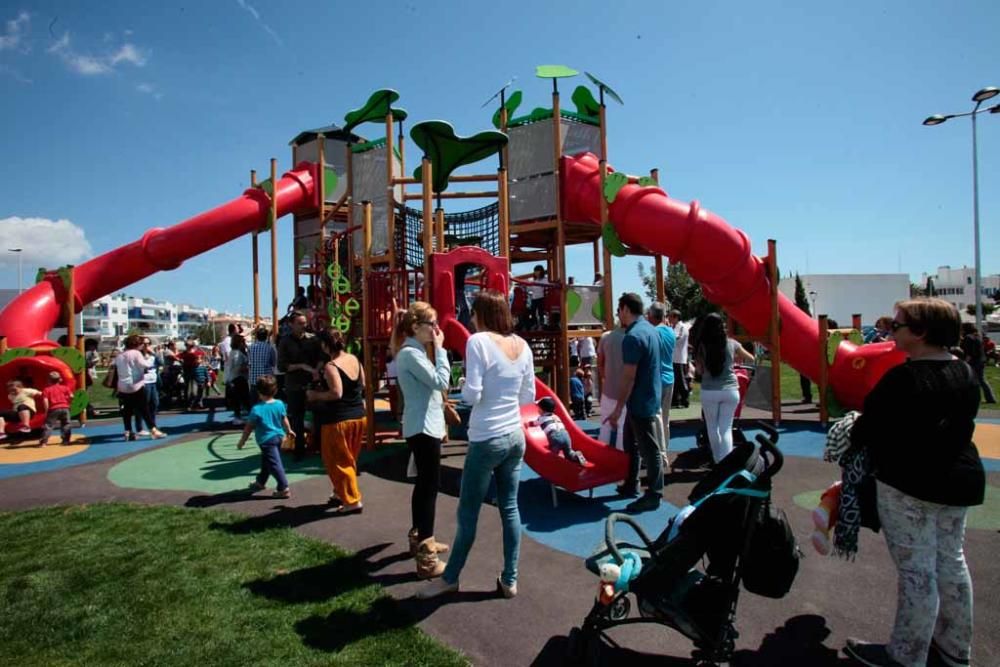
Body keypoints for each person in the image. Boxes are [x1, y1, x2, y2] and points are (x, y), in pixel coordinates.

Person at [844, 299, 984, 667]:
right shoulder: (966, 373)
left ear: (920, 333)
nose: (892, 331)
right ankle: (954, 647)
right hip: (959, 478)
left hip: (911, 482)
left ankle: (907, 655)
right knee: (951, 563)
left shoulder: (904, 379)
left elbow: (867, 429)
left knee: (917, 571)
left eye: (898, 325)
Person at [418, 289, 535, 599]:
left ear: (483, 315)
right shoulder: (522, 345)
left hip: (486, 438)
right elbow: (528, 396)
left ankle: (450, 578)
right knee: (510, 508)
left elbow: (473, 393)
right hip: (515, 436)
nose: (469, 318)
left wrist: (458, 397)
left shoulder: (478, 342)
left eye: (473, 313)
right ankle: (509, 579)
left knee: (468, 512)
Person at [393, 301, 452, 579]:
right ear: (416, 327)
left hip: (424, 425)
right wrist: (440, 350)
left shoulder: (413, 351)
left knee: (424, 485)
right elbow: (441, 381)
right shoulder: (411, 354)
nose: (436, 330)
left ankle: (421, 537)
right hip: (423, 428)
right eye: (431, 324)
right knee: (429, 487)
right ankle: (426, 558)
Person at [606, 293, 663, 513]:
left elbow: (629, 377)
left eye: (619, 310)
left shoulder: (633, 337)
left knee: (649, 448)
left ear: (626, 310)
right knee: (633, 443)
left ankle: (655, 493)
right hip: (648, 397)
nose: (618, 314)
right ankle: (632, 483)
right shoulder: (650, 329)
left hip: (640, 401)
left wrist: (618, 408)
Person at [307, 327, 367, 514]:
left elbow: (336, 393)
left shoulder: (331, 366)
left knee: (337, 461)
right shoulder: (354, 359)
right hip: (358, 416)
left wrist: (315, 395)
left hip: (338, 420)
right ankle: (340, 492)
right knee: (349, 458)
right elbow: (363, 384)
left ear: (325, 345)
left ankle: (352, 500)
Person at [695, 313, 755, 464]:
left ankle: (717, 460)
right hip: (730, 390)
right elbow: (751, 358)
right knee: (726, 428)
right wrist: (734, 360)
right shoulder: (732, 343)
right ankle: (726, 461)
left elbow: (699, 370)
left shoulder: (702, 345)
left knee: (712, 427)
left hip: (709, 390)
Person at [236, 374, 294, 499]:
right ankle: (261, 481)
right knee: (266, 461)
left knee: (274, 463)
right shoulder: (279, 403)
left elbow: (248, 428)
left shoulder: (257, 409)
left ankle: (283, 488)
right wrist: (289, 430)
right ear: (276, 390)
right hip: (279, 437)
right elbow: (284, 418)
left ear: (258, 392)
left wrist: (242, 441)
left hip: (267, 440)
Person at [278, 311, 318, 460]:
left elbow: (320, 357)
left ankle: (316, 444)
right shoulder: (285, 342)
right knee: (297, 418)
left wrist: (316, 370)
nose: (303, 326)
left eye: (304, 323)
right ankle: (299, 449)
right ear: (291, 325)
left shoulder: (312, 340)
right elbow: (282, 366)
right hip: (294, 385)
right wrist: (301, 366)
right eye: (300, 323)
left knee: (317, 415)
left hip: (312, 384)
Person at [116, 335, 165, 441]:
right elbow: (145, 364)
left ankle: (128, 431)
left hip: (123, 386)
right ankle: (153, 429)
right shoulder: (136, 353)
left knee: (127, 411)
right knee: (144, 409)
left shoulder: (120, 355)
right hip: (136, 385)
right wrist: (152, 357)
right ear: (137, 344)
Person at [647, 302, 676, 471]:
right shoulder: (670, 332)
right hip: (669, 377)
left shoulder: (653, 333)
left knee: (656, 418)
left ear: (651, 315)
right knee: (665, 418)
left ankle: (661, 453)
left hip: (657, 379)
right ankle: (665, 449)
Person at [597, 321, 628, 449]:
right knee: (623, 429)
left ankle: (601, 457)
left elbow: (600, 363)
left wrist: (606, 378)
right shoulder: (633, 337)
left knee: (605, 426)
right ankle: (622, 460)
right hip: (626, 391)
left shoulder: (606, 336)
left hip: (609, 389)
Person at [533, 396, 586, 465]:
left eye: (538, 408)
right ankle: (575, 456)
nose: (537, 410)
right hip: (565, 434)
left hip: (555, 436)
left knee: (553, 455)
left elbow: (535, 423)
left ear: (542, 410)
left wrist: (529, 423)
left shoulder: (541, 418)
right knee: (568, 452)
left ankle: (556, 465)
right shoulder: (556, 416)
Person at [960, 322, 996, 403]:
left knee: (968, 380)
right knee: (982, 380)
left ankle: (968, 398)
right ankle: (990, 398)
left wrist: (964, 363)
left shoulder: (968, 338)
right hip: (981, 360)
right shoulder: (978, 337)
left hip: (973, 361)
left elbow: (969, 352)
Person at [39, 371, 73, 446]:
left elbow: (45, 401)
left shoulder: (47, 390)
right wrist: (68, 403)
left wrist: (46, 410)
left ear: (48, 380)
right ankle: (66, 440)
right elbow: (71, 396)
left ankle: (44, 442)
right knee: (66, 424)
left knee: (49, 425)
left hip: (54, 408)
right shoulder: (65, 388)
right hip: (65, 407)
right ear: (60, 379)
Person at [134, 338, 160, 435]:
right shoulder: (138, 355)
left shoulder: (152, 354)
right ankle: (139, 427)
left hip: (153, 381)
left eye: (148, 343)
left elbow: (160, 362)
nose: (146, 346)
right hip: (143, 382)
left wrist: (154, 353)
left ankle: (152, 425)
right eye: (144, 344)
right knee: (143, 405)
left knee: (154, 403)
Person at [667, 309, 691, 409]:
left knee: (680, 380)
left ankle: (685, 399)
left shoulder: (682, 327)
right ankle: (676, 400)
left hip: (679, 358)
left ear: (676, 317)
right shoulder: (674, 327)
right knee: (675, 380)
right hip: (674, 358)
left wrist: (667, 336)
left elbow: (678, 338)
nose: (669, 318)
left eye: (671, 316)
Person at [247, 326, 277, 404]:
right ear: (266, 336)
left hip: (253, 378)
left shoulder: (251, 347)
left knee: (254, 402)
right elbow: (273, 363)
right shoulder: (270, 348)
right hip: (266, 378)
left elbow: (248, 360)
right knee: (266, 402)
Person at [225, 334, 251, 424]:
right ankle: (240, 417)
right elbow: (237, 367)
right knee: (244, 398)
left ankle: (238, 416)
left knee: (240, 399)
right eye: (243, 342)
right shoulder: (237, 353)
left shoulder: (234, 352)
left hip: (236, 378)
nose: (244, 343)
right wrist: (248, 367)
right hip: (238, 378)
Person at [527, 265, 548, 329]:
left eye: (537, 271)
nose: (536, 272)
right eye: (535, 271)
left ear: (541, 271)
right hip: (534, 298)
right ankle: (535, 324)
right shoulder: (534, 280)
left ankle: (541, 324)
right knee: (532, 311)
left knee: (540, 312)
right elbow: (529, 288)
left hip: (541, 298)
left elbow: (547, 287)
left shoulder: (545, 279)